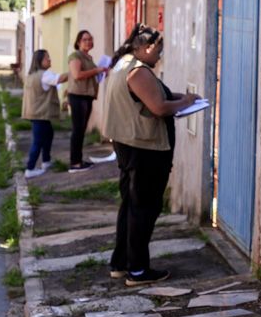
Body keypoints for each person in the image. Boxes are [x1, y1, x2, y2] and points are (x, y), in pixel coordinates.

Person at [103, 24, 200, 286]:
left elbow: (154, 97)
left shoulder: (122, 64)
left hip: (128, 145)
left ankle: (121, 263)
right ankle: (138, 270)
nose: (160, 56)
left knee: (131, 206)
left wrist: (181, 97)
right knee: (143, 209)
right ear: (146, 48)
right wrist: (187, 103)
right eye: (158, 50)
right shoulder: (138, 71)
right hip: (145, 148)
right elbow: (158, 107)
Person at [21, 49, 67, 178]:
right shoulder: (44, 75)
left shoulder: (31, 76)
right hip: (40, 114)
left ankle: (46, 161)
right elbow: (59, 79)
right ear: (40, 61)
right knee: (38, 141)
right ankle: (30, 168)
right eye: (47, 58)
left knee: (48, 135)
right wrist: (74, 72)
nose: (50, 60)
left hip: (35, 113)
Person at [67, 29, 108, 173]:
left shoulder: (88, 57)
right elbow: (77, 75)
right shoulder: (75, 56)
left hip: (87, 96)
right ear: (78, 42)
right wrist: (97, 71)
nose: (89, 42)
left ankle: (78, 159)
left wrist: (101, 71)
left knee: (82, 129)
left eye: (90, 39)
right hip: (78, 96)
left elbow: (90, 74)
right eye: (85, 39)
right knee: (78, 130)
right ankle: (75, 163)